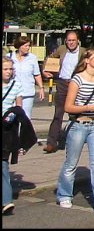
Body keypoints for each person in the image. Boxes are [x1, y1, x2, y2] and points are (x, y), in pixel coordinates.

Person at [55, 47, 94, 214]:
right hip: (79, 125)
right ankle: (64, 194)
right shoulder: (77, 80)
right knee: (71, 164)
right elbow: (68, 107)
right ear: (87, 60)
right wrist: (89, 107)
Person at [42, 31, 85, 153]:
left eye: (73, 40)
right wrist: (45, 70)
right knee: (58, 114)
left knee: (75, 115)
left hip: (76, 85)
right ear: (66, 41)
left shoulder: (83, 52)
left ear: (78, 41)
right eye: (69, 40)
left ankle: (75, 141)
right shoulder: (61, 49)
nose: (71, 43)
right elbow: (49, 59)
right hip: (62, 84)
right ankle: (51, 143)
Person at [3, 57, 23, 215]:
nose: (8, 72)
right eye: (5, 69)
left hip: (6, 130)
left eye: (10, 69)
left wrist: (13, 115)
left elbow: (19, 108)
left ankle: (6, 201)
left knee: (3, 165)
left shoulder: (16, 85)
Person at [11, 36, 46, 121]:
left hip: (27, 93)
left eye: (29, 46)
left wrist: (41, 88)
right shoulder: (10, 57)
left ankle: (24, 134)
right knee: (11, 118)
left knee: (26, 119)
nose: (28, 48)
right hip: (12, 93)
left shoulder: (32, 58)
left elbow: (37, 74)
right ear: (20, 46)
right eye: (26, 46)